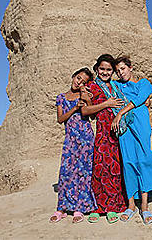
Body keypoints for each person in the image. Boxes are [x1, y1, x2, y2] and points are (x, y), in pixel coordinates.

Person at [111, 56, 152, 225]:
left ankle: (145, 207)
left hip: (141, 126)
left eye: (123, 69)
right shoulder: (117, 86)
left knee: (143, 161)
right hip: (125, 130)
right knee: (128, 163)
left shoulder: (144, 83)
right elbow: (102, 85)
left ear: (130, 68)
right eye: (118, 71)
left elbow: (140, 99)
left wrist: (120, 112)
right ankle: (131, 205)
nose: (120, 73)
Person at [81, 54, 127, 223]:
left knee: (116, 167)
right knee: (100, 167)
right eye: (102, 69)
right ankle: (97, 206)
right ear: (96, 69)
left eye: (109, 69)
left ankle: (113, 206)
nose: (105, 72)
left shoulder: (116, 86)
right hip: (102, 132)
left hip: (119, 132)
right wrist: (106, 104)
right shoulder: (91, 87)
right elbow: (85, 111)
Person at [49, 67, 97, 224]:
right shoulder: (61, 98)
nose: (79, 82)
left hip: (85, 137)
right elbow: (60, 119)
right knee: (66, 171)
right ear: (73, 76)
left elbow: (90, 115)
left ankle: (79, 207)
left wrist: (86, 97)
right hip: (71, 139)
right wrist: (75, 108)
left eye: (83, 81)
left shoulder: (84, 95)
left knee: (83, 171)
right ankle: (62, 207)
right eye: (78, 78)